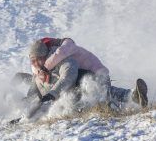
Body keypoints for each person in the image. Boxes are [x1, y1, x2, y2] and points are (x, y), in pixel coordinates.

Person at [12, 37, 148, 111]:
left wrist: (52, 94)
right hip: (69, 97)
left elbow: (68, 77)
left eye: (39, 59)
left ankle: (133, 96)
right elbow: (34, 90)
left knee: (94, 88)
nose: (35, 63)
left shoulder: (63, 59)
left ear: (46, 55)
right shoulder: (38, 72)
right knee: (91, 95)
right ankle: (112, 104)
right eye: (32, 60)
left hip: (88, 83)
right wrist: (27, 104)